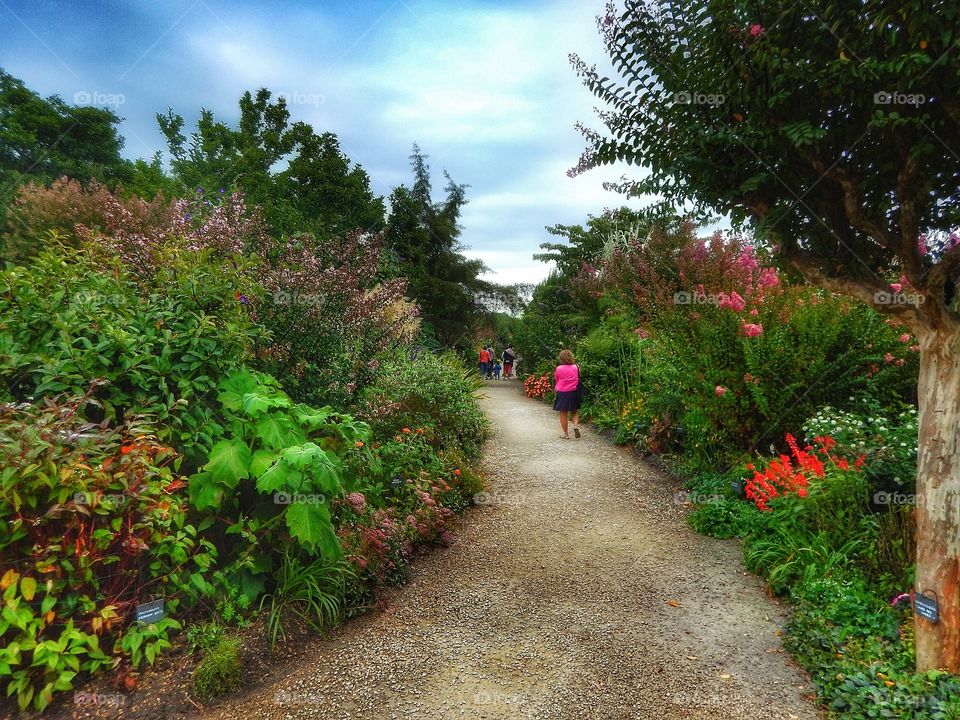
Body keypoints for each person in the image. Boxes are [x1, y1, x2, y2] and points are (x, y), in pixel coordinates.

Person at [553, 349, 582, 439]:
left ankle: (566, 434)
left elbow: (557, 379)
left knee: (563, 413)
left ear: (561, 358)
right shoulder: (576, 367)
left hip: (562, 393)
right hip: (574, 392)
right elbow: (579, 377)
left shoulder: (558, 368)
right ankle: (575, 426)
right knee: (575, 412)